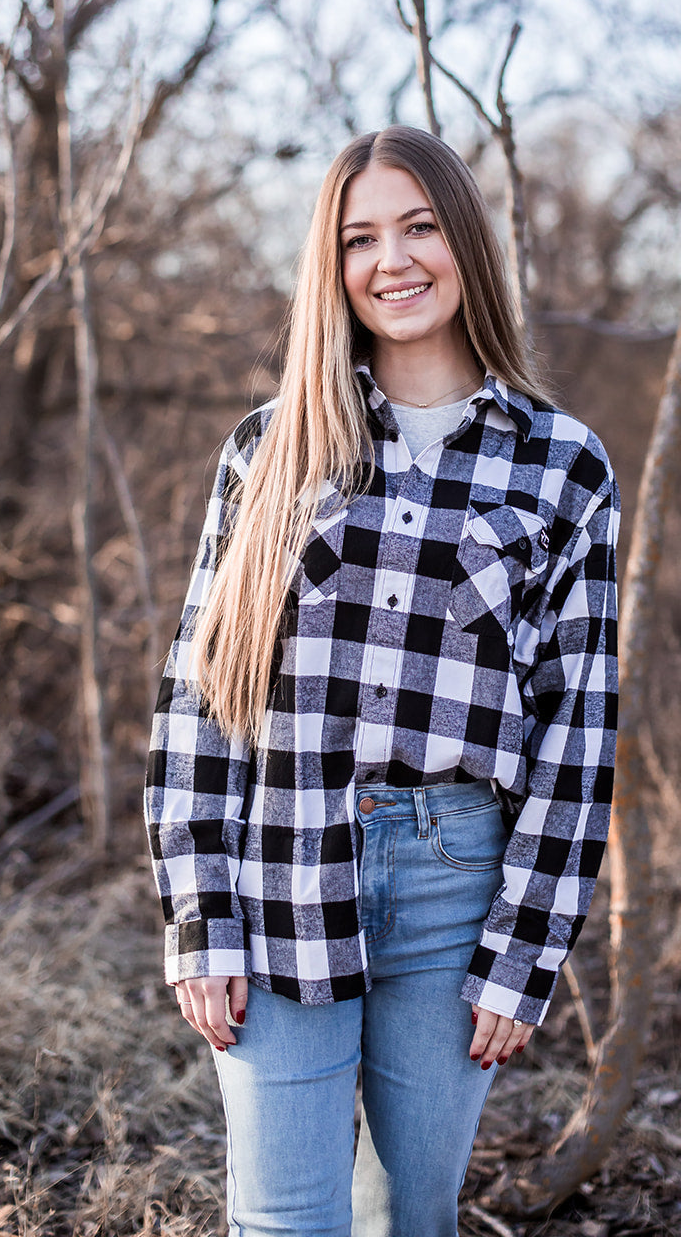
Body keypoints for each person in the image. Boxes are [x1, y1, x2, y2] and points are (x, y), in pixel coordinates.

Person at [145, 125, 619, 1237]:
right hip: (281, 859)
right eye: (359, 237)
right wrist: (197, 915)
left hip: (456, 881)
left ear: (463, 240)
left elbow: (577, 731)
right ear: (332, 264)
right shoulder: (270, 451)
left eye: (417, 226)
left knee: (412, 1213)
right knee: (282, 1218)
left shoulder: (561, 464)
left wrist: (524, 952)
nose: (391, 260)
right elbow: (198, 695)